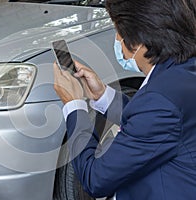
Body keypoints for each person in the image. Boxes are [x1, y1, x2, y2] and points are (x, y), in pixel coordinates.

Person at [53, 0, 196, 199]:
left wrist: (74, 104)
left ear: (138, 42)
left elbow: (95, 179)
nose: (117, 39)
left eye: (118, 32)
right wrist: (102, 95)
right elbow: (151, 127)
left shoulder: (160, 103)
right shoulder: (183, 70)